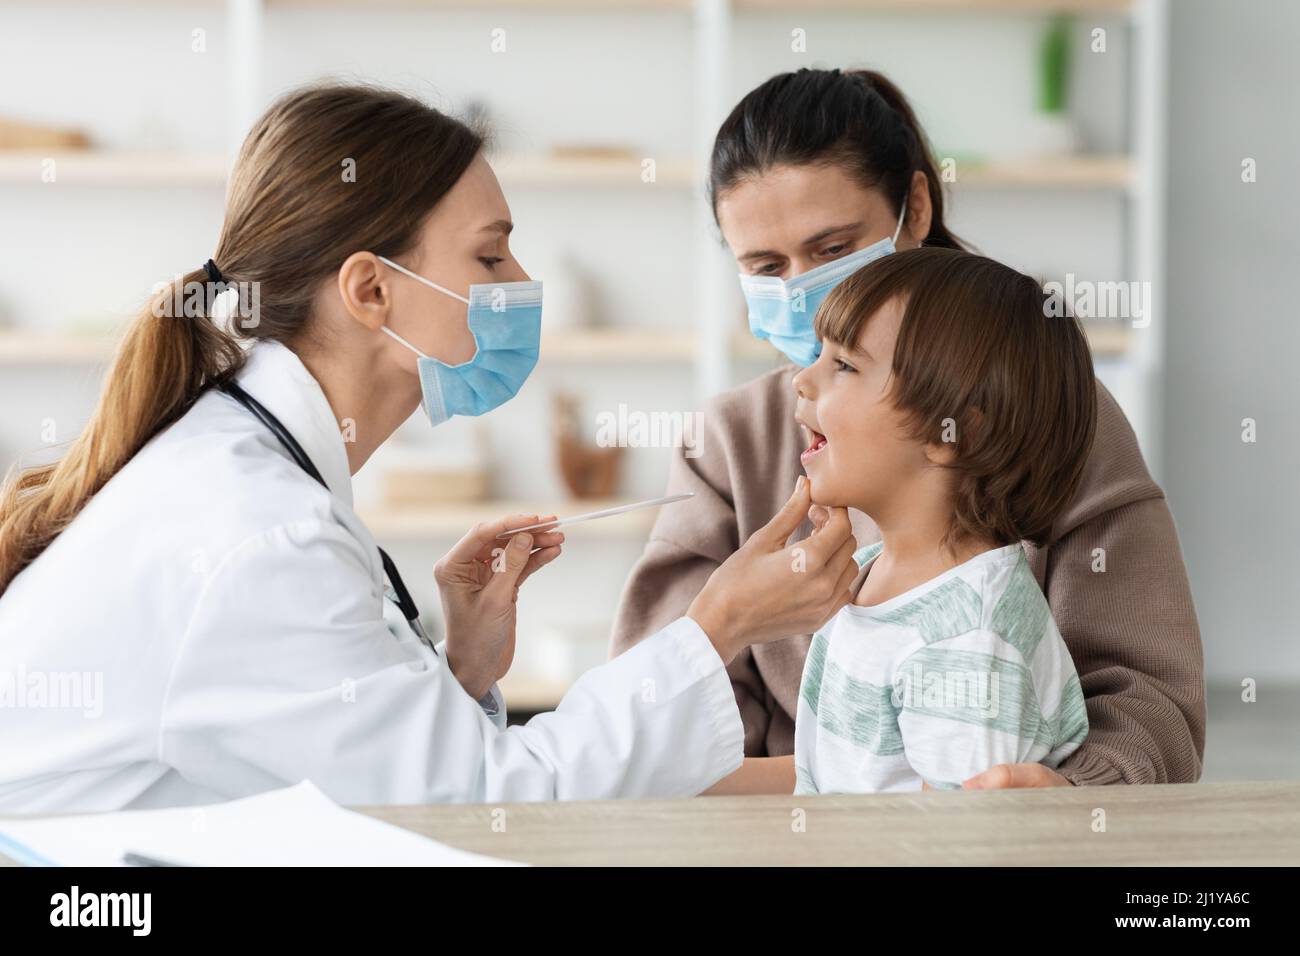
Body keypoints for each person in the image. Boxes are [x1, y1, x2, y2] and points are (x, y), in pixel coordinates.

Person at [0, 84, 859, 814]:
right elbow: (482, 808)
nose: (521, 285)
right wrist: (722, 623)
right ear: (372, 289)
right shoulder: (260, 534)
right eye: (489, 255)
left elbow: (374, 770)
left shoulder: (255, 471)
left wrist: (459, 667)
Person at [611, 68, 1205, 788]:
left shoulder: (1050, 411)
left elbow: (1147, 697)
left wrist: (1073, 795)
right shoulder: (729, 441)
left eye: (831, 250)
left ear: (915, 206)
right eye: (766, 267)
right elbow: (662, 723)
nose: (800, 289)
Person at [714, 248, 1096, 795]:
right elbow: (829, 781)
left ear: (951, 434)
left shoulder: (967, 640)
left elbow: (953, 848)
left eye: (843, 364)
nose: (802, 379)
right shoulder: (871, 573)